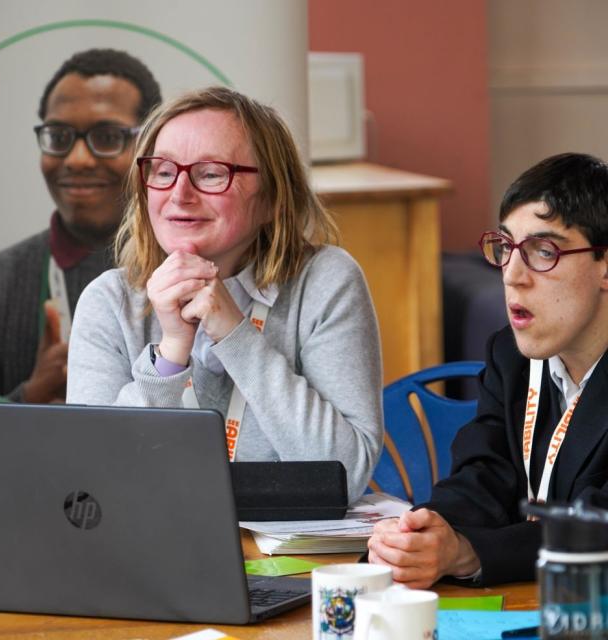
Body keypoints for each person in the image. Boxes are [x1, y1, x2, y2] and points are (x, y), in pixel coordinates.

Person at [66, 86, 383, 502]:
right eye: (163, 171)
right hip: (154, 537)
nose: (179, 194)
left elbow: (346, 473)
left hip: (289, 542)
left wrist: (235, 335)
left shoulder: (325, 281)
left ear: (272, 198)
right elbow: (93, 481)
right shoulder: (109, 302)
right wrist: (170, 352)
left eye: (211, 173)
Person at [368, 152, 608, 586]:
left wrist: (469, 553)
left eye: (543, 252)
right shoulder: (511, 356)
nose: (512, 276)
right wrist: (423, 533)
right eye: (506, 248)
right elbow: (484, 475)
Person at [0, 48, 161, 402]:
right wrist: (30, 397)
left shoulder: (195, 276)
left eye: (107, 137)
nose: (77, 159)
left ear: (152, 144)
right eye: (58, 137)